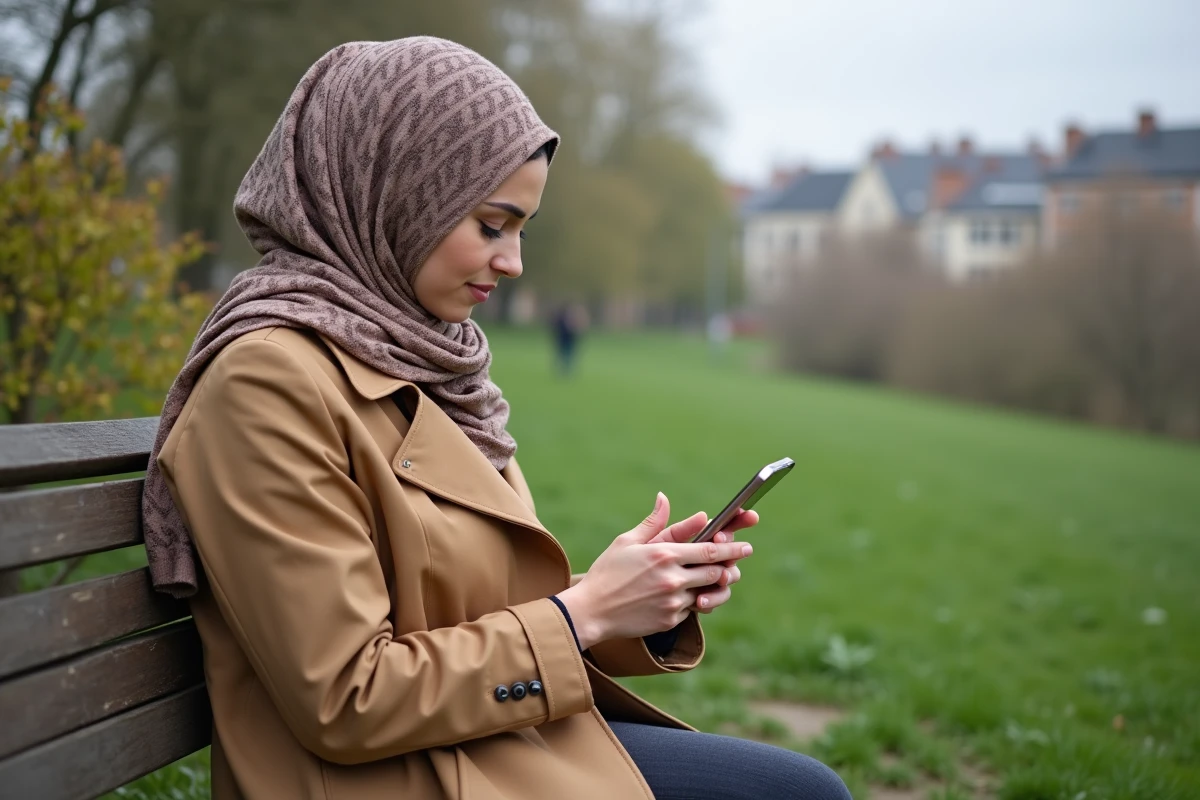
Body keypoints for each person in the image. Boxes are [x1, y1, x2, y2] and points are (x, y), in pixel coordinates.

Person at [140, 37, 850, 800]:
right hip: (390, 777)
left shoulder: (430, 361)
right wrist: (582, 614)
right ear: (395, 194)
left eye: (521, 228)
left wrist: (632, 599)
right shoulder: (264, 383)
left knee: (801, 789)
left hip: (480, 747)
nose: (513, 262)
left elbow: (478, 615)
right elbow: (345, 698)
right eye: (490, 224)